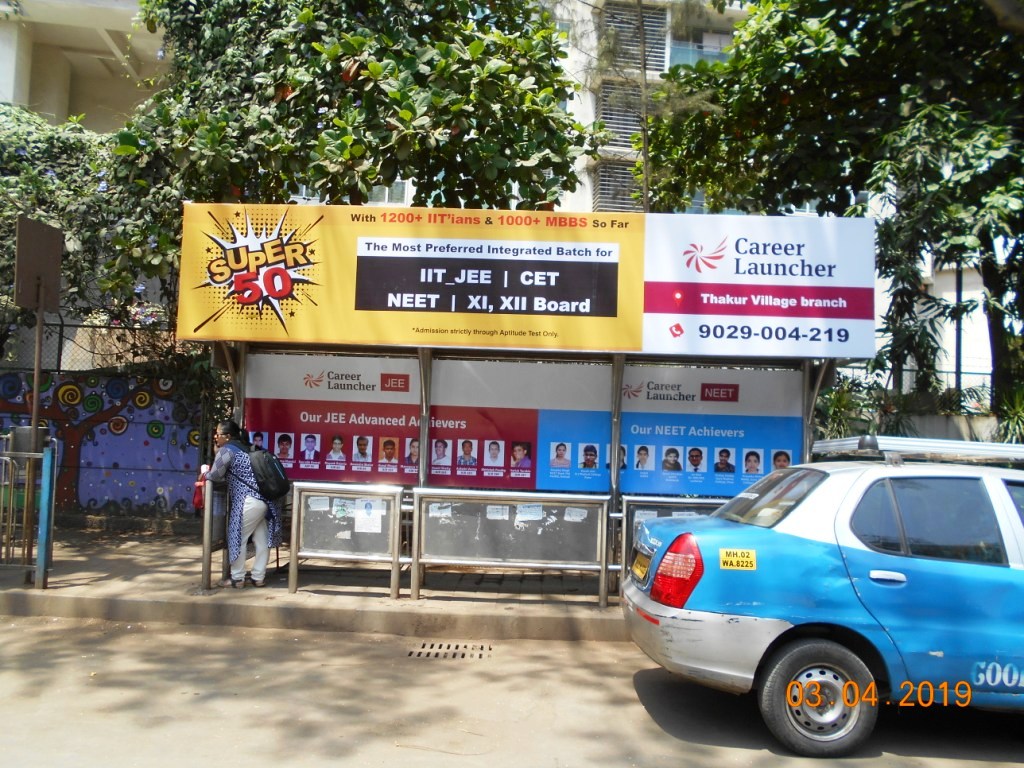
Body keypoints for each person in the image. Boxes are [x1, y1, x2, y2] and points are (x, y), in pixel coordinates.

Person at [205, 419, 281, 589]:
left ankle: (237, 578)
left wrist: (205, 473)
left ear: (228, 436)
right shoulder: (247, 448)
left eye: (218, 434)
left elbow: (215, 475)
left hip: (248, 501)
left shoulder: (227, 450)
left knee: (237, 537)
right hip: (265, 500)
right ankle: (258, 577)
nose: (216, 437)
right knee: (261, 541)